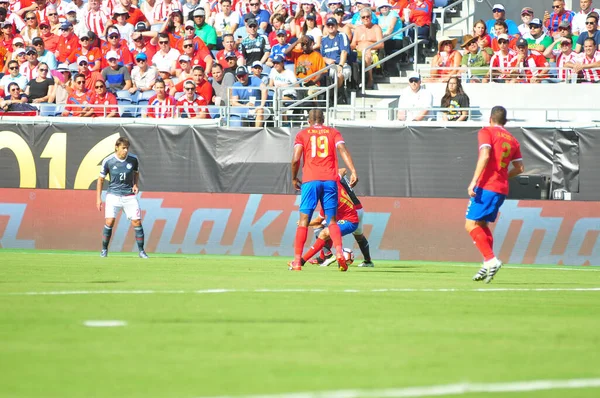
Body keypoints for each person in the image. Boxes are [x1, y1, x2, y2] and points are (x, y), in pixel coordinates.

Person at [289, 108, 358, 272]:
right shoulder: (333, 133)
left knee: (304, 220)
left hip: (310, 181)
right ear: (323, 119)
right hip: (329, 180)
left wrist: (293, 177)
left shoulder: (302, 134)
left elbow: (296, 159)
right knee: (332, 220)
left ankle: (297, 261)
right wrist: (353, 170)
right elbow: (342, 150)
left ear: (309, 121)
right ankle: (339, 253)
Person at [466, 105, 524, 283]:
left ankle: (491, 260)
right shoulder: (513, 140)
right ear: (505, 122)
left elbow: (485, 155)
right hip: (501, 188)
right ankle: (487, 262)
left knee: (471, 225)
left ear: (490, 118)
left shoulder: (486, 131)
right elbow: (520, 168)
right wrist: (502, 174)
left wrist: (474, 181)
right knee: (482, 224)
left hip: (486, 186)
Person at [96, 136, 149, 259]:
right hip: (113, 195)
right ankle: (104, 250)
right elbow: (100, 180)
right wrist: (98, 199)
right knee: (109, 221)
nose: (126, 150)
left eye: (127, 148)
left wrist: (135, 184)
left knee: (137, 221)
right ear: (117, 147)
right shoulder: (108, 161)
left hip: (129, 195)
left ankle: (141, 251)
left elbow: (136, 173)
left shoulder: (133, 159)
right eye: (123, 148)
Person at [313, 167, 374, 268]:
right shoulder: (335, 177)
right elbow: (343, 170)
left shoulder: (331, 180)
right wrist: (353, 174)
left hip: (348, 210)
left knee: (321, 226)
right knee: (359, 236)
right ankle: (368, 261)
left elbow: (342, 171)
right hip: (358, 208)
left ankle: (327, 256)